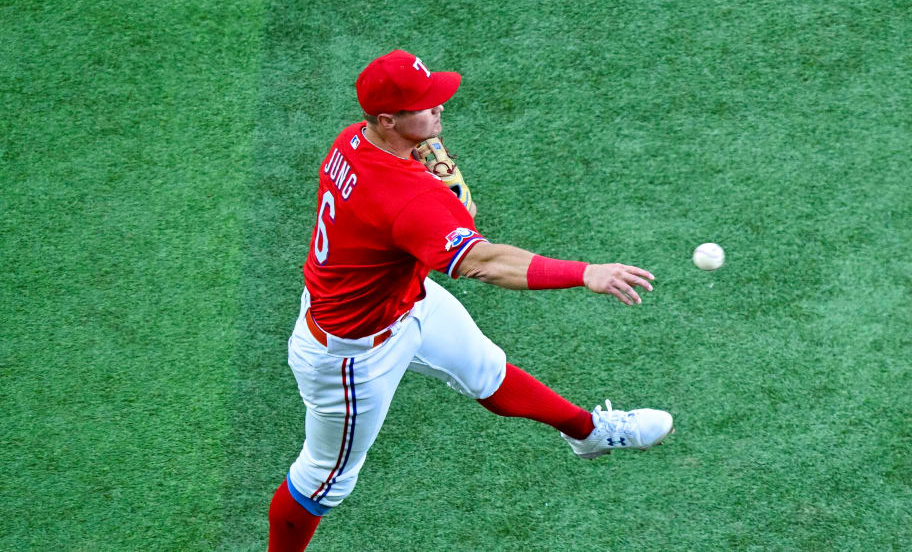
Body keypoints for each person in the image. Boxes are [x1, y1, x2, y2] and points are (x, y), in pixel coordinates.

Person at [266, 49, 674, 551]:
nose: (439, 109)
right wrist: (584, 272)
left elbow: (435, 188)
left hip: (402, 301)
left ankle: (586, 432)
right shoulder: (409, 200)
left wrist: (437, 160)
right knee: (322, 478)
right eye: (426, 105)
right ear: (389, 119)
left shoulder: (355, 139)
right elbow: (484, 261)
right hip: (351, 353)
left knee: (487, 370)